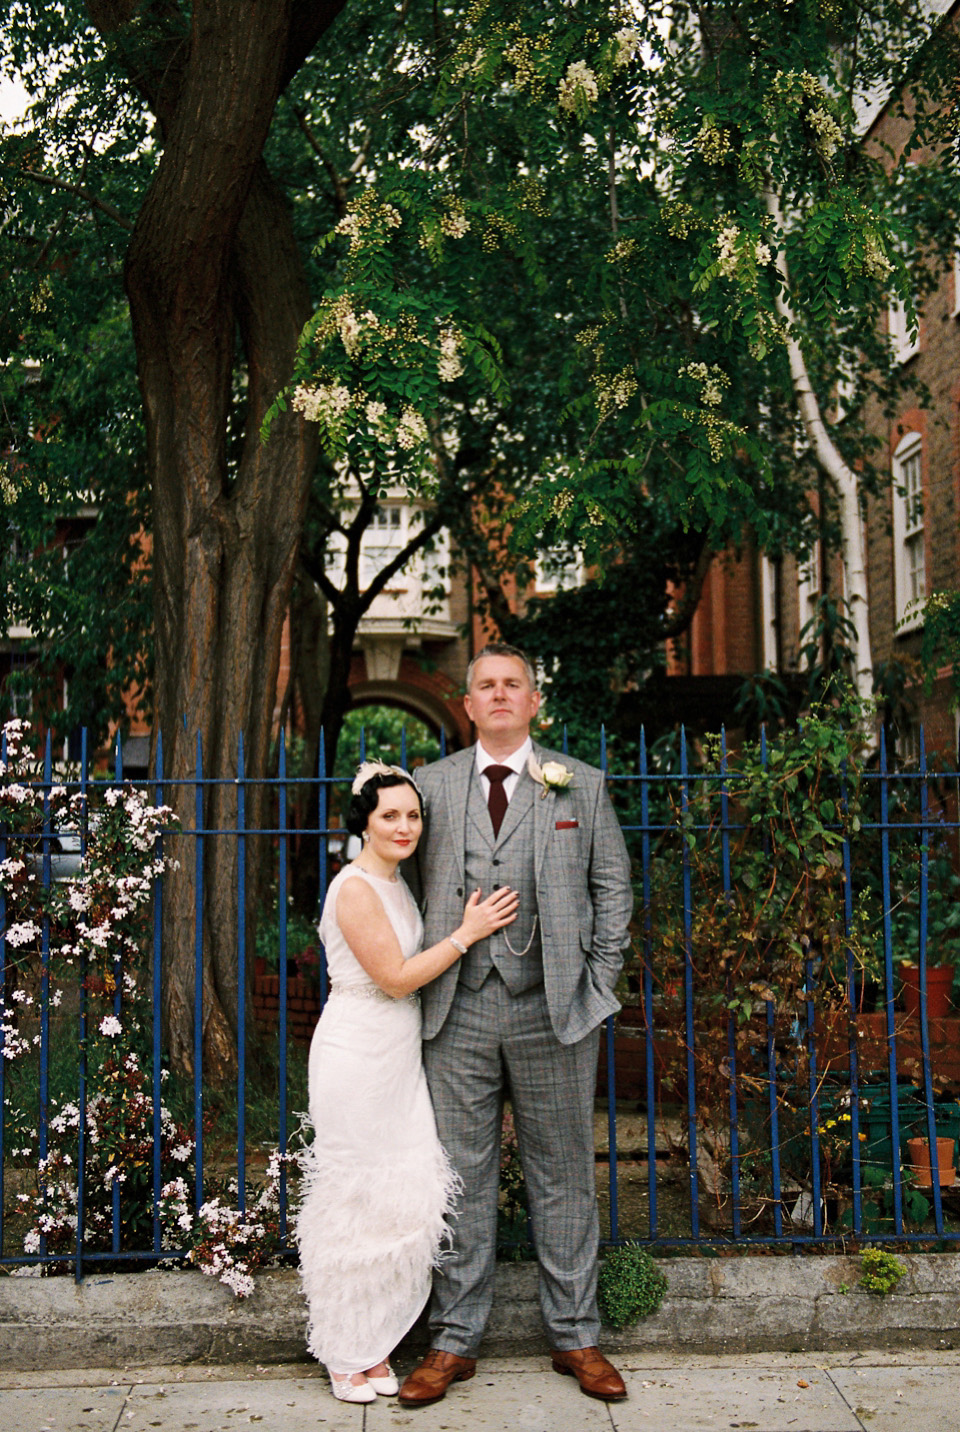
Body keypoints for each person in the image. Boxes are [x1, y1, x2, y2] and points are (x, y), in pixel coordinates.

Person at [400, 643, 634, 1407]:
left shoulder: (582, 786)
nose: (499, 695)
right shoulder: (428, 790)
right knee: (459, 1178)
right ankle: (453, 1340)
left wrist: (596, 988)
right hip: (457, 1010)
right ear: (466, 706)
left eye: (514, 685)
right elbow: (392, 884)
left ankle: (576, 1335)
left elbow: (613, 894)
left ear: (535, 702)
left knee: (563, 1174)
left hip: (555, 1009)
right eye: (485, 687)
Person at [296, 760, 519, 1404]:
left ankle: (376, 1345)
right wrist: (467, 935)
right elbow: (393, 977)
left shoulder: (397, 884)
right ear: (363, 822)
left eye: (413, 815)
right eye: (389, 814)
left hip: (399, 1058)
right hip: (357, 1054)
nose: (404, 826)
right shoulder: (356, 887)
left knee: (404, 1195)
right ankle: (345, 1350)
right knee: (356, 1201)